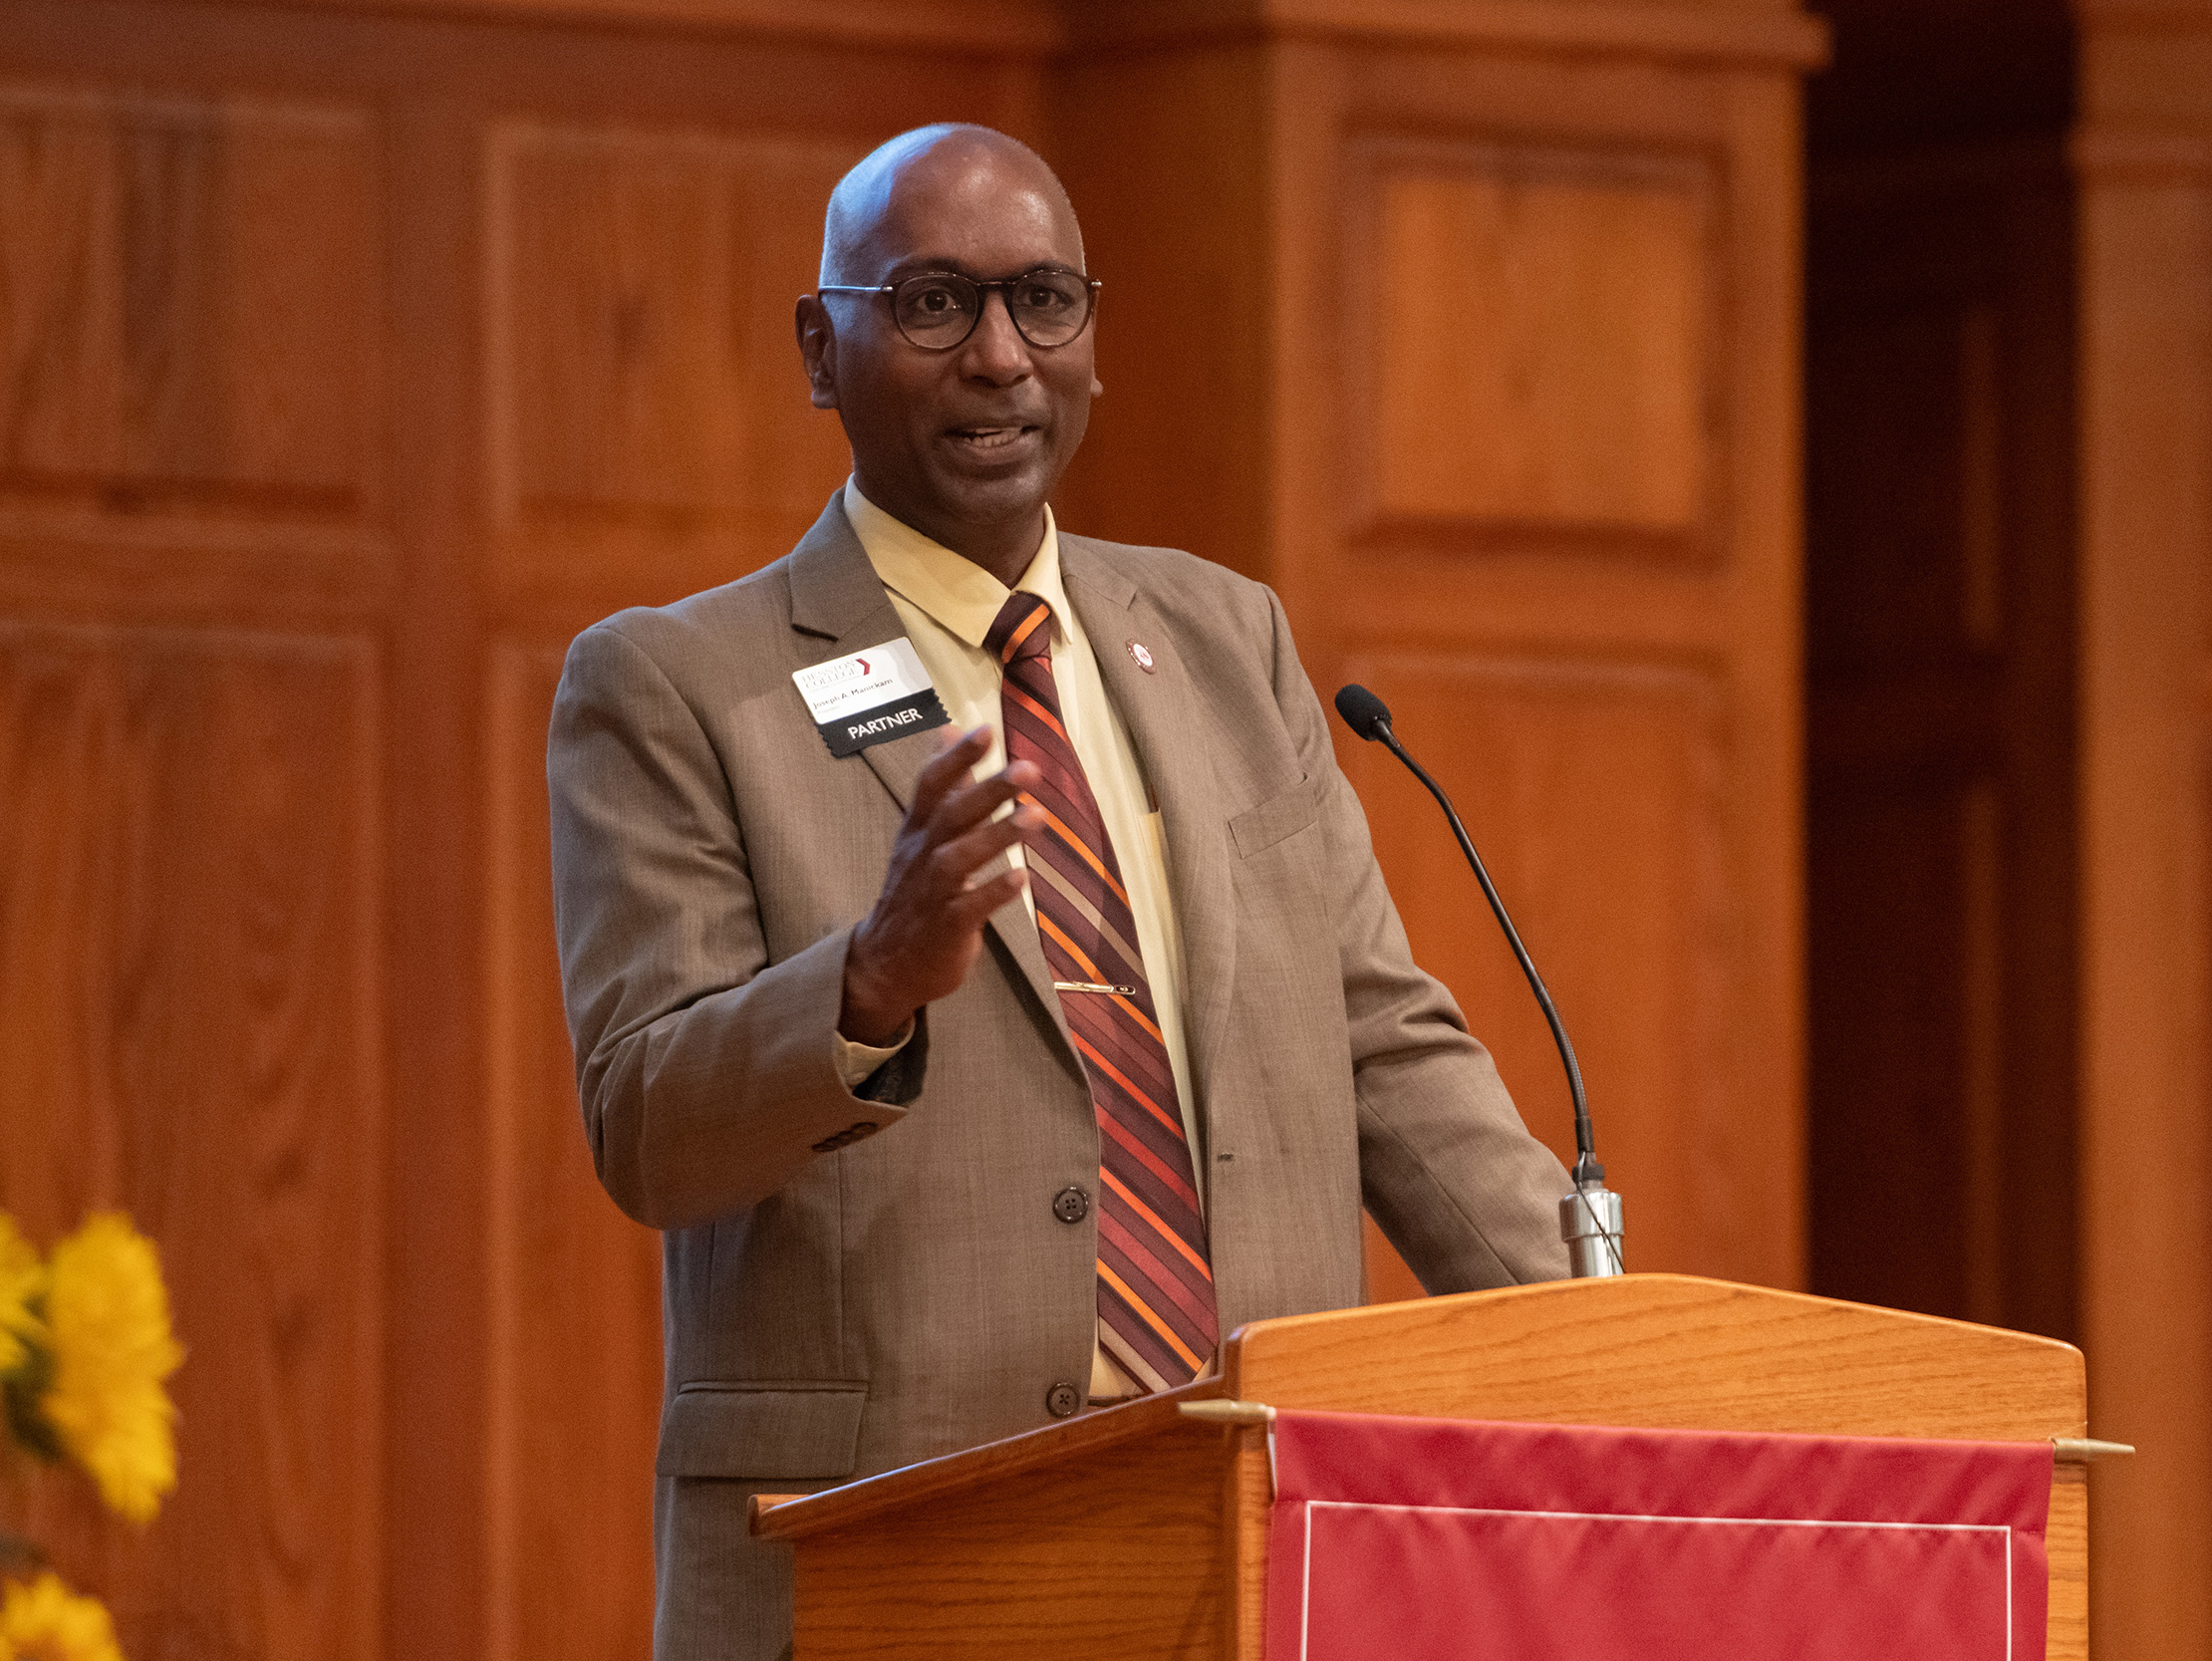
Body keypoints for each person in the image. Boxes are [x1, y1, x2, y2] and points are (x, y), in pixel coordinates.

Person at [546, 123, 1573, 1659]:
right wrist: (869, 981)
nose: (1000, 357)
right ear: (821, 350)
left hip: (1252, 1547)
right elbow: (649, 1127)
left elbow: (1385, 1053)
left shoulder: (1231, 644)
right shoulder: (685, 688)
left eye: (1045, 300)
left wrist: (1611, 1346)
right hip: (892, 1559)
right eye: (934, 303)